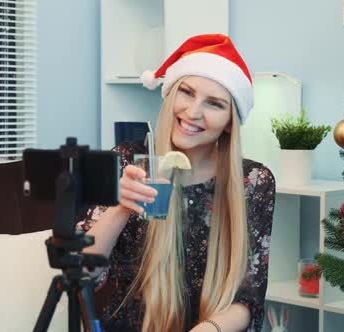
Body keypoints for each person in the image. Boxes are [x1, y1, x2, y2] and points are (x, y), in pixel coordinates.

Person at [78, 34, 276, 332]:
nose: (193, 112)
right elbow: (82, 271)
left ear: (229, 122)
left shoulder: (253, 182)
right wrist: (122, 207)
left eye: (214, 103)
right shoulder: (127, 160)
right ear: (171, 95)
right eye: (187, 92)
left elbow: (248, 299)